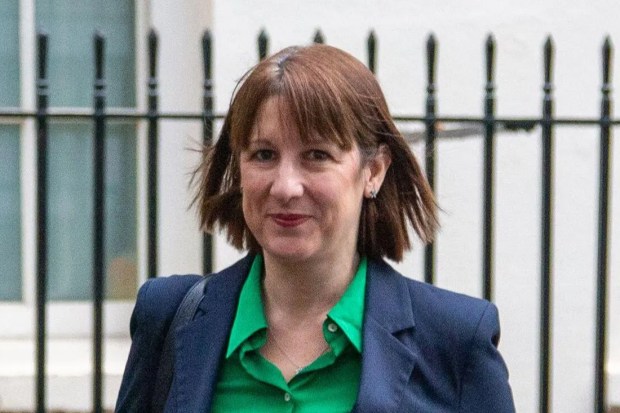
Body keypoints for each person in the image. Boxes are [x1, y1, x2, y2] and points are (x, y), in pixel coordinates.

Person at [116, 44, 515, 412]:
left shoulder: (456, 342)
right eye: (264, 154)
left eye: (317, 155)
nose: (286, 186)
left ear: (373, 171)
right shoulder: (168, 319)